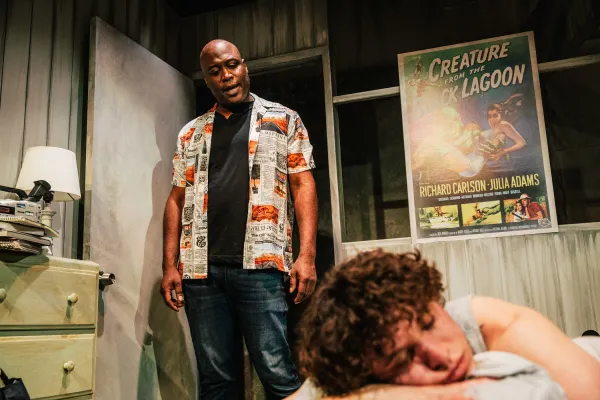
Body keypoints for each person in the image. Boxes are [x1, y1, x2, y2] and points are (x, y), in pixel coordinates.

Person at [160, 39, 318, 400]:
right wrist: (169, 265)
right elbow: (176, 199)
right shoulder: (191, 132)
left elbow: (303, 185)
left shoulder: (283, 119)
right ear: (206, 79)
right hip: (201, 273)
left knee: (276, 371)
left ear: (244, 66)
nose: (226, 75)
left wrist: (306, 256)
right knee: (216, 380)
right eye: (214, 70)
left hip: (261, 267)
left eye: (231, 65)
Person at [290, 250, 600, 400]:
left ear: (436, 300)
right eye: (402, 358)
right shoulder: (353, 362)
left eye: (428, 323)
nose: (440, 357)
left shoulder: (493, 322)